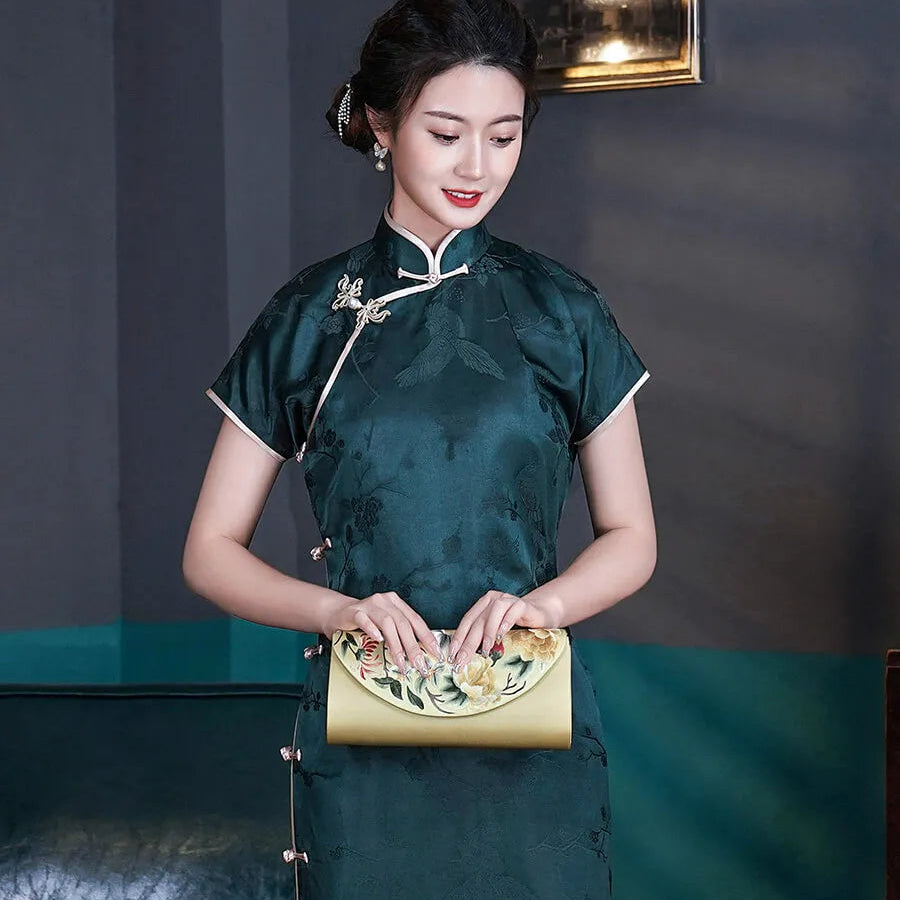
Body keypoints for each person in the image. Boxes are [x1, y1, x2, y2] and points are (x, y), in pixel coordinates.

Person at [183, 1, 656, 896]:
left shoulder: (564, 312)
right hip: (367, 743)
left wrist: (542, 609)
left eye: (505, 135)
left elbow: (632, 534)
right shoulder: (308, 319)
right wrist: (338, 614)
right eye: (446, 133)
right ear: (380, 122)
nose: (478, 166)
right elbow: (208, 552)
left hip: (533, 728)